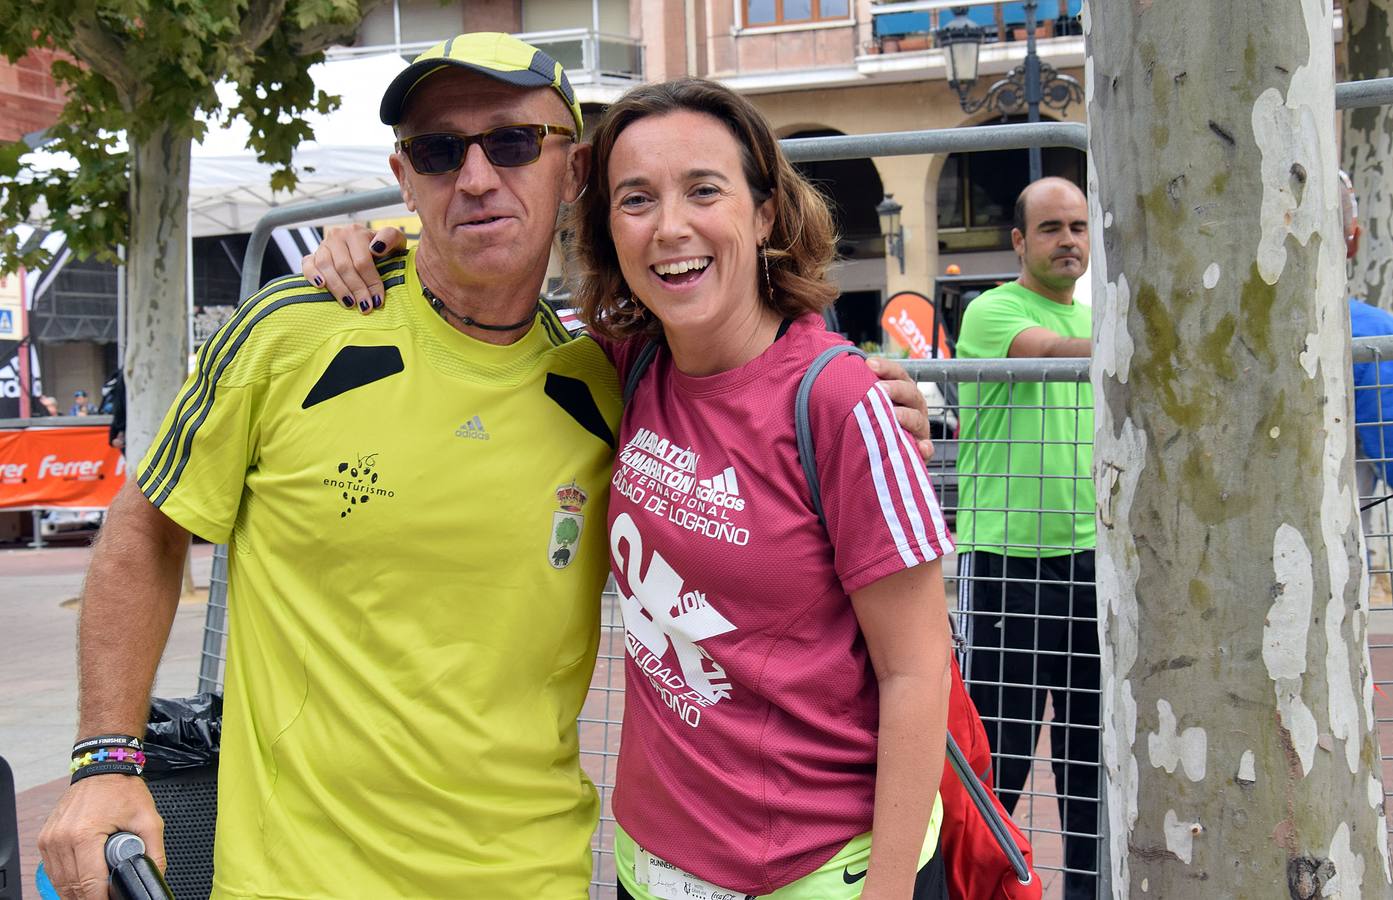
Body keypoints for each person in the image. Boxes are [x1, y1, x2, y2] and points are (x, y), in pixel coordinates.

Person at [41, 33, 935, 900]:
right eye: (436, 152)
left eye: (511, 142)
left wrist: (861, 395)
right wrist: (106, 759)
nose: (474, 177)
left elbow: (745, 389)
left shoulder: (603, 377)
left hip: (533, 875)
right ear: (404, 178)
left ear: (570, 169)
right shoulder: (293, 330)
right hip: (297, 878)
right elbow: (146, 526)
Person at [952, 176, 1098, 900]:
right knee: (996, 760)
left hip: (1089, 566)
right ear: (1018, 241)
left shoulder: (1095, 320)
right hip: (1006, 563)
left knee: (1087, 760)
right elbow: (1047, 349)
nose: (1068, 239)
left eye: (1077, 226)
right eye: (1050, 228)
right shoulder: (992, 309)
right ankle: (973, 889)